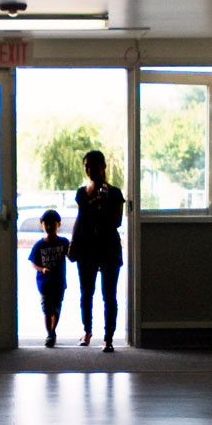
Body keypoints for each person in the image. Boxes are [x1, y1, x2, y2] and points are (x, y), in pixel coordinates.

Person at [70, 149, 125, 352]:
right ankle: (87, 331)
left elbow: (117, 222)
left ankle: (108, 338)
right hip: (86, 248)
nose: (90, 170)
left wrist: (104, 204)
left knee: (109, 294)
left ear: (103, 167)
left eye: (93, 166)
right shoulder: (81, 194)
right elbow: (80, 218)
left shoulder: (115, 193)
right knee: (86, 293)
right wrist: (72, 244)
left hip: (109, 247)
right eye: (86, 166)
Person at [28, 208, 69, 347]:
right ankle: (50, 334)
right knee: (47, 309)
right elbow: (33, 262)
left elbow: (71, 256)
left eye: (53, 224)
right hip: (45, 283)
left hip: (59, 282)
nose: (49, 227)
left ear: (59, 224)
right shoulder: (39, 245)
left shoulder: (63, 242)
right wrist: (42, 269)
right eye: (46, 224)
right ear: (42, 225)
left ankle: (53, 330)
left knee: (57, 308)